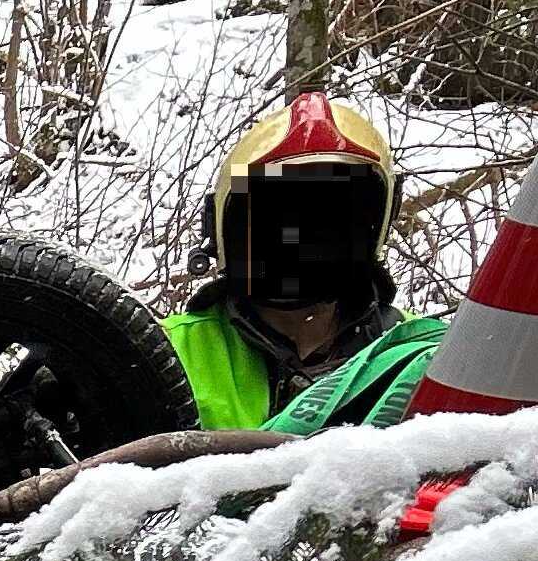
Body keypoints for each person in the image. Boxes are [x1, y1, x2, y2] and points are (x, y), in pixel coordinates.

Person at [167, 92, 443, 430]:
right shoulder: (166, 354)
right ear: (227, 226)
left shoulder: (422, 355)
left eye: (327, 215)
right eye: (276, 215)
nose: (297, 237)